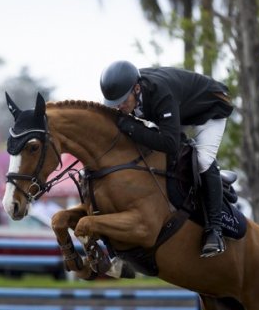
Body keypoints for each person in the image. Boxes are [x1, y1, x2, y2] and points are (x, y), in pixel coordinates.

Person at [99, 60, 234, 258]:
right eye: (114, 103)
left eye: (122, 101)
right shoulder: (130, 90)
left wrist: (130, 127)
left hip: (210, 110)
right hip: (182, 111)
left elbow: (169, 143)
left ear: (137, 89)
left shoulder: (160, 92)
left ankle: (215, 231)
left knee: (203, 161)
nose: (118, 107)